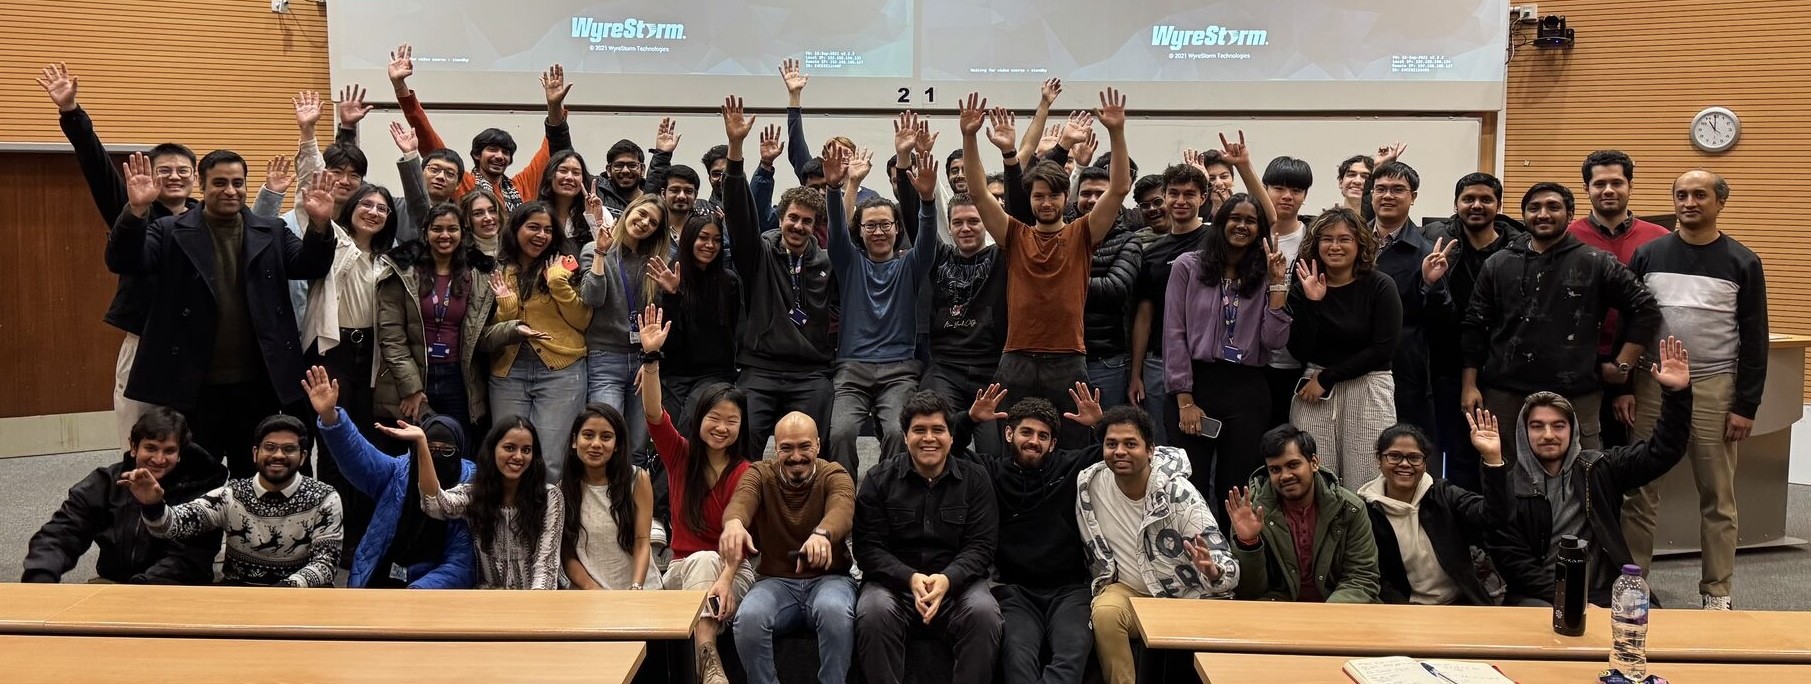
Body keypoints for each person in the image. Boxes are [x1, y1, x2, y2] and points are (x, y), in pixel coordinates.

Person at [106, 152, 336, 477]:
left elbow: (310, 264)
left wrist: (320, 224)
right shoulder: (169, 230)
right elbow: (125, 261)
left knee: (254, 476)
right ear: (201, 185)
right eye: (220, 183)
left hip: (258, 385)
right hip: (192, 386)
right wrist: (136, 211)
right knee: (196, 480)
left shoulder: (270, 230)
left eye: (237, 183)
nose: (230, 190)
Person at [1622, 171, 1768, 610]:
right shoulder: (1648, 254)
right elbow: (1634, 324)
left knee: (1717, 496)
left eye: (1699, 195)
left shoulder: (1742, 261)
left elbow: (1754, 337)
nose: (1689, 202)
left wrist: (1746, 404)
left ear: (1719, 202)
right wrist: (1625, 386)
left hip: (1714, 386)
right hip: (1652, 384)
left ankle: (1717, 593)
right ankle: (1634, 583)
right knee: (1639, 490)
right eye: (1681, 195)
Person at [960, 89, 1131, 445]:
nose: (1046, 202)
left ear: (1064, 197)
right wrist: (969, 136)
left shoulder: (1083, 233)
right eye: (1038, 195)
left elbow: (1117, 189)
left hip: (1068, 359)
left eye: (1053, 195)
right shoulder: (1013, 234)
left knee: (1070, 446)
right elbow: (978, 193)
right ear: (1030, 198)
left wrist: (1117, 131)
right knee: (1010, 447)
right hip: (1016, 357)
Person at [1490, 337, 1694, 607]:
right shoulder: (1509, 487)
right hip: (1540, 596)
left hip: (1604, 592)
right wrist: (1573, 602)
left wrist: (1677, 396)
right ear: (1523, 432)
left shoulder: (1599, 467)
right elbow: (1516, 567)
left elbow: (1662, 452)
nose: (1548, 434)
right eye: (1538, 426)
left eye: (1558, 426)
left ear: (1572, 429)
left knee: (1651, 622)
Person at [1461, 183, 1659, 457]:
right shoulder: (1498, 263)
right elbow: (1475, 325)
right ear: (1524, 215)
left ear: (1570, 214)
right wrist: (1469, 385)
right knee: (1504, 475)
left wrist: (1623, 363)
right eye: (1534, 208)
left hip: (1575, 394)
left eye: (1553, 207)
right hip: (1505, 394)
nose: (1543, 214)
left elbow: (1645, 308)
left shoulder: (1596, 261)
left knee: (1581, 477)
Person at [949, 386, 1100, 684]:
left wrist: (1099, 423)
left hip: (1070, 591)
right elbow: (946, 448)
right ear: (1009, 435)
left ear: (1053, 444)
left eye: (1042, 436)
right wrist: (968, 419)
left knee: (1074, 652)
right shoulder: (989, 472)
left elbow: (1113, 451)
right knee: (1017, 659)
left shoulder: (1070, 467)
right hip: (1015, 591)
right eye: (1026, 433)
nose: (1034, 441)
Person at [638, 305, 756, 684]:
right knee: (704, 559)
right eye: (714, 418)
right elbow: (655, 414)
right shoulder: (681, 457)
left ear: (742, 427)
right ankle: (708, 658)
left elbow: (741, 540)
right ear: (700, 419)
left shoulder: (747, 473)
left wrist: (727, 576)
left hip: (734, 573)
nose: (721, 428)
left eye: (731, 421)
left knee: (711, 562)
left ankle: (706, 662)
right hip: (681, 569)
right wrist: (651, 358)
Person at [1079, 406, 1239, 684]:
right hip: (1128, 590)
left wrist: (1212, 570)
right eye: (1111, 444)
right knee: (1105, 613)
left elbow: (1230, 569)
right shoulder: (1089, 484)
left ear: (1150, 450)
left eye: (1131, 444)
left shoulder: (1179, 494)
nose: (1119, 452)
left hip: (1181, 593)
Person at [855, 391, 1001, 684]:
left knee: (985, 613)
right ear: (905, 435)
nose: (929, 438)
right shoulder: (878, 479)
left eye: (938, 430)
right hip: (895, 586)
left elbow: (981, 546)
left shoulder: (976, 479)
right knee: (873, 611)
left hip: (958, 587)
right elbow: (868, 548)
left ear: (950, 435)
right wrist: (910, 578)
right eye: (919, 430)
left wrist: (947, 580)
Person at [720, 96, 837, 450]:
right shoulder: (759, 254)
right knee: (743, 440)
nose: (798, 226)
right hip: (760, 370)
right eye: (792, 218)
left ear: (816, 224)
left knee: (814, 444)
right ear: (780, 216)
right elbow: (739, 216)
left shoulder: (828, 261)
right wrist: (737, 150)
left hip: (811, 372)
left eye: (806, 221)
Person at [1164, 194, 1292, 515]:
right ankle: (1190, 558)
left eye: (1251, 221)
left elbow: (1274, 340)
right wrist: (1185, 400)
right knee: (1188, 485)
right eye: (1235, 218)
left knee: (1236, 486)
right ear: (1221, 222)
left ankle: (1233, 557)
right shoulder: (1188, 266)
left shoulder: (1265, 274)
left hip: (1246, 388)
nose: (1242, 226)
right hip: (1196, 385)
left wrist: (1277, 287)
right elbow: (1174, 334)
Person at [824, 128, 942, 470]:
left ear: (896, 229)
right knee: (842, 433)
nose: (878, 232)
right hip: (851, 370)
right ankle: (843, 501)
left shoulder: (911, 264)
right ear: (860, 232)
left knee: (896, 432)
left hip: (900, 372)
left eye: (885, 225)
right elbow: (835, 229)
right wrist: (837, 188)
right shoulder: (849, 263)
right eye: (870, 226)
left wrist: (928, 201)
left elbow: (929, 235)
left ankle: (888, 496)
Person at [120, 414, 343, 587]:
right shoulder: (231, 495)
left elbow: (325, 565)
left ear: (303, 457)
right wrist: (152, 506)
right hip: (240, 596)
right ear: (255, 453)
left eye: (289, 449)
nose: (278, 455)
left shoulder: (324, 497)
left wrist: (285, 589)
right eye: (270, 447)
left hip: (301, 598)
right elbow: (173, 526)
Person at [718, 412, 858, 684]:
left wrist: (822, 534)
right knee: (748, 618)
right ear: (775, 447)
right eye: (787, 448)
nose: (796, 456)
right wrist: (734, 522)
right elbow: (742, 500)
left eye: (804, 446)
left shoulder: (834, 474)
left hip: (830, 579)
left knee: (834, 611)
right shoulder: (760, 473)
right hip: (775, 582)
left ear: (818, 445)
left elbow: (843, 508)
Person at [304, 367, 475, 589]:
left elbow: (460, 564)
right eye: (429, 448)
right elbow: (360, 457)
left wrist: (415, 594)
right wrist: (330, 416)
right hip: (379, 578)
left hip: (430, 594)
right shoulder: (398, 473)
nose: (436, 457)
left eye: (446, 451)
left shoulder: (469, 487)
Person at [23, 407, 227, 584]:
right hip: (116, 585)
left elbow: (189, 560)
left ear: (180, 454)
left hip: (175, 591)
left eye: (169, 451)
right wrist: (40, 575)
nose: (159, 459)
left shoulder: (203, 488)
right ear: (133, 447)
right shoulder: (105, 482)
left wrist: (136, 592)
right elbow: (63, 531)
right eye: (151, 448)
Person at [1419, 173, 1525, 491]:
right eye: (1468, 199)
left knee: (1503, 454)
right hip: (1447, 367)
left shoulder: (1520, 248)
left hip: (1504, 369)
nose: (1476, 205)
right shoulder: (1438, 243)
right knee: (1456, 454)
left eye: (1485, 199)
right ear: (1456, 204)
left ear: (1498, 205)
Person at [1285, 208, 1401, 485]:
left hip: (1368, 386)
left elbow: (1382, 349)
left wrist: (1328, 377)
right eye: (1327, 239)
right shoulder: (1304, 285)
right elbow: (1298, 350)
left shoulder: (1381, 285)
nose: (1334, 246)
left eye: (1344, 239)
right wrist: (1313, 303)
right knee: (1314, 478)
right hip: (1314, 389)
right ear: (1316, 245)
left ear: (1360, 244)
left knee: (1366, 477)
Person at [1568, 151, 1671, 450]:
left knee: (1637, 450)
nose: (1609, 190)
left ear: (1630, 186)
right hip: (1583, 361)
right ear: (1587, 188)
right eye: (1600, 184)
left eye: (1617, 182)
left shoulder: (1659, 238)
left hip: (1640, 360)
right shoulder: (1567, 238)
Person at [391, 44, 574, 211]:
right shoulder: (462, 182)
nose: (499, 156)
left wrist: (554, 107)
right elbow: (427, 138)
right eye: (492, 149)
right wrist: (400, 87)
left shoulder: (523, 185)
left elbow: (553, 146)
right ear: (477, 154)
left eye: (505, 152)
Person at [1357, 418, 1516, 606]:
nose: (1405, 464)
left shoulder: (1443, 494)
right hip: (1401, 610)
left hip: (1459, 604)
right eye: (1394, 456)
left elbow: (1494, 517)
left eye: (1414, 458)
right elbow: (1372, 578)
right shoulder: (1365, 510)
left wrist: (1492, 459)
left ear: (1425, 464)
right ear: (1379, 460)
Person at [487, 202, 593, 480]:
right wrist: (508, 307)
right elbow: (486, 331)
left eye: (547, 230)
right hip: (508, 371)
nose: (541, 235)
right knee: (508, 457)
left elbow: (582, 320)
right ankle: (509, 522)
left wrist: (558, 283)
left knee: (550, 461)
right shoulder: (497, 269)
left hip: (561, 371)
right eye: (533, 227)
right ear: (516, 229)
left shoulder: (565, 264)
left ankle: (548, 522)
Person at [1225, 424, 1381, 603]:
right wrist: (1249, 544)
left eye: (1293, 465)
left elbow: (1362, 578)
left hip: (1339, 609)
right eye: (1275, 470)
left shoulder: (1349, 508)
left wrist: (1324, 619)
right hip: (1277, 611)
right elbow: (1250, 593)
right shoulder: (1250, 511)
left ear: (1314, 463)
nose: (1285, 476)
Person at [376, 203, 497, 429]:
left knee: (456, 448)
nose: (444, 235)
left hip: (457, 377)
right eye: (437, 229)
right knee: (415, 453)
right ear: (425, 232)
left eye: (452, 229)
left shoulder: (476, 275)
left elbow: (480, 333)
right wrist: (411, 388)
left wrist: (514, 330)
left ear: (463, 233)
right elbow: (391, 336)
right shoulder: (402, 272)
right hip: (414, 374)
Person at [413, 415, 563, 589]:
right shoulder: (475, 494)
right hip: (487, 601)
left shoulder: (550, 497)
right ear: (493, 450)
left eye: (526, 450)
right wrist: (422, 444)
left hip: (535, 601)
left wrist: (532, 611)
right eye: (509, 448)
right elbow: (435, 504)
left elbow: (546, 566)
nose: (518, 456)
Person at [579, 194, 668, 460]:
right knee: (605, 439)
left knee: (638, 447)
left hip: (642, 360)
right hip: (605, 359)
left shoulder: (653, 262)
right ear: (629, 211)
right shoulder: (594, 249)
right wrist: (600, 253)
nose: (644, 223)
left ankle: (635, 502)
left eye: (652, 223)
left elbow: (658, 318)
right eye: (641, 215)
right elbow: (592, 298)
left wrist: (649, 359)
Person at [1368, 162, 1450, 441]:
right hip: (1351, 361)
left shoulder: (1427, 252)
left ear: (1413, 197)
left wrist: (1431, 283)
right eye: (1381, 189)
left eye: (1398, 190)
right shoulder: (1352, 241)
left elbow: (1442, 324)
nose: (1388, 196)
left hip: (1403, 367)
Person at [653, 214, 742, 426]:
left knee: (690, 423)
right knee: (668, 430)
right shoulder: (669, 277)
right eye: (703, 237)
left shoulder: (728, 282)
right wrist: (672, 296)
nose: (710, 245)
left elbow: (735, 331)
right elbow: (666, 340)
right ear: (690, 238)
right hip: (674, 374)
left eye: (717, 239)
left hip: (714, 375)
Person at [561, 403, 659, 590]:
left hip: (640, 591)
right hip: (589, 596)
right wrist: (593, 590)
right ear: (575, 441)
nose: (596, 444)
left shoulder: (637, 479)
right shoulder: (563, 489)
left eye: (606, 437)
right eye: (588, 435)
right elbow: (567, 555)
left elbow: (641, 541)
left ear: (616, 445)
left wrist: (636, 588)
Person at [1260, 157, 1314, 429]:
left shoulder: (1314, 239)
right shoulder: (1251, 235)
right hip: (1254, 361)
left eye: (1296, 190)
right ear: (1265, 188)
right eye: (1279, 188)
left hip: (1299, 362)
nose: (1287, 196)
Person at [537, 150, 595, 255]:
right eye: (563, 171)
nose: (569, 177)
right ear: (550, 175)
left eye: (576, 173)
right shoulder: (535, 214)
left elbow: (610, 253)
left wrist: (593, 219)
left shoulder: (597, 213)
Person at [461, 188, 506, 257]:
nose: (488, 218)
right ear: (466, 220)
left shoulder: (514, 250)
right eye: (478, 213)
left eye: (492, 211)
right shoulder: (460, 256)